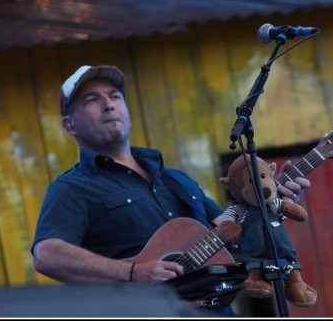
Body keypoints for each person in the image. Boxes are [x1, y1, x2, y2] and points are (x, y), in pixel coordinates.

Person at [31, 64, 311, 310]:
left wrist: (269, 207)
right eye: (92, 100)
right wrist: (132, 272)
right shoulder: (72, 188)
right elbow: (48, 255)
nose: (108, 104)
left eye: (115, 96)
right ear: (69, 125)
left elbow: (236, 238)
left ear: (126, 111)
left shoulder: (176, 179)